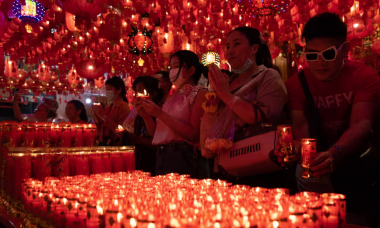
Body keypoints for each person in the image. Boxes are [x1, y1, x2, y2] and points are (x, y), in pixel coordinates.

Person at [275, 13, 380, 226]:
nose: (320, 63)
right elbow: (301, 130)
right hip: (319, 162)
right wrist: (298, 152)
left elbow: (362, 124)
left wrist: (334, 153)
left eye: (329, 54)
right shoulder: (296, 84)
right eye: (312, 56)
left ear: (346, 50)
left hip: (358, 161)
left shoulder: (364, 76)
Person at [202, 27, 290, 189]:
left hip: (261, 170)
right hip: (226, 169)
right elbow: (210, 132)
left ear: (254, 49)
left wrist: (225, 94)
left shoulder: (268, 76)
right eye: (228, 47)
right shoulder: (226, 82)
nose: (230, 51)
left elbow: (260, 117)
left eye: (236, 44)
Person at [139, 50, 209, 178]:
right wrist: (146, 116)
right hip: (162, 155)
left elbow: (193, 134)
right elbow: (156, 133)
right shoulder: (171, 97)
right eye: (171, 67)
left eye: (176, 66)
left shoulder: (200, 93)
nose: (172, 70)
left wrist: (160, 114)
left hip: (183, 156)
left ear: (191, 70)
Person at [123, 76, 164, 175]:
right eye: (136, 92)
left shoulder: (159, 111)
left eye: (141, 91)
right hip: (139, 158)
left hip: (153, 160)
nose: (138, 96)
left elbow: (160, 141)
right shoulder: (138, 112)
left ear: (153, 93)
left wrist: (137, 140)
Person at [92, 76, 131, 146]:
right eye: (106, 89)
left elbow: (123, 132)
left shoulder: (124, 108)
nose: (107, 92)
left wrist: (102, 115)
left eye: (109, 89)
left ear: (119, 89)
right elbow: (99, 126)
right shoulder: (107, 108)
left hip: (116, 146)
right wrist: (96, 113)